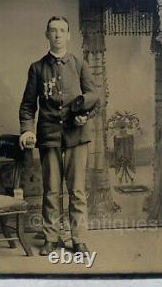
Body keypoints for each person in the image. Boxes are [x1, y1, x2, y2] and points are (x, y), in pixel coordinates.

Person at [19, 16, 100, 256]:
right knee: (51, 190)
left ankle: (79, 240)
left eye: (61, 31)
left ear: (68, 35)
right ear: (46, 34)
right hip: (49, 135)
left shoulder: (79, 63)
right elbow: (27, 105)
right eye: (52, 30)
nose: (57, 35)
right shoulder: (37, 68)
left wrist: (84, 114)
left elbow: (95, 97)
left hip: (76, 134)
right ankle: (51, 239)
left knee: (77, 190)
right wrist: (27, 129)